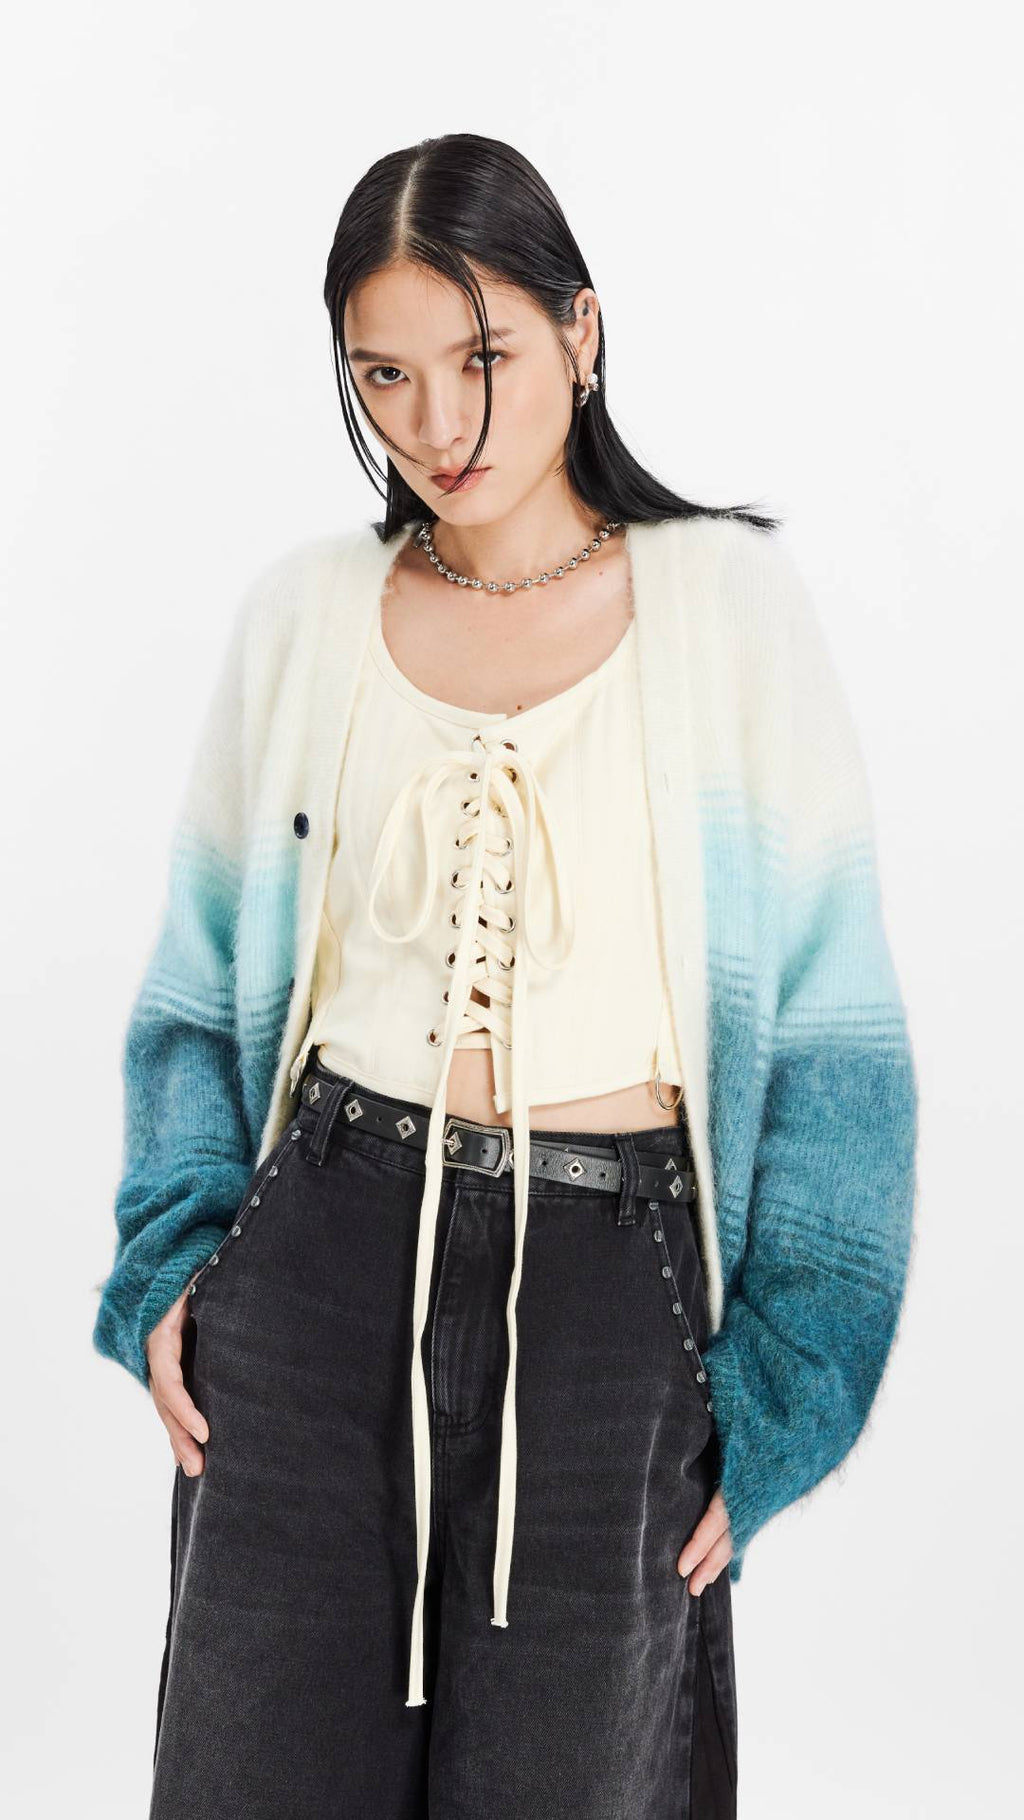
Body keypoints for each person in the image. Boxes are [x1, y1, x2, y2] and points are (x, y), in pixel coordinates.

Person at [92, 133, 918, 1820]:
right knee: (255, 1775)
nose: (437, 424)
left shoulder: (728, 612)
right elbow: (191, 994)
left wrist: (784, 1391)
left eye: (483, 358)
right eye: (383, 375)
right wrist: (178, 1260)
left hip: (614, 1297)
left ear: (580, 330)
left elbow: (841, 1046)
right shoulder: (306, 617)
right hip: (321, 1263)